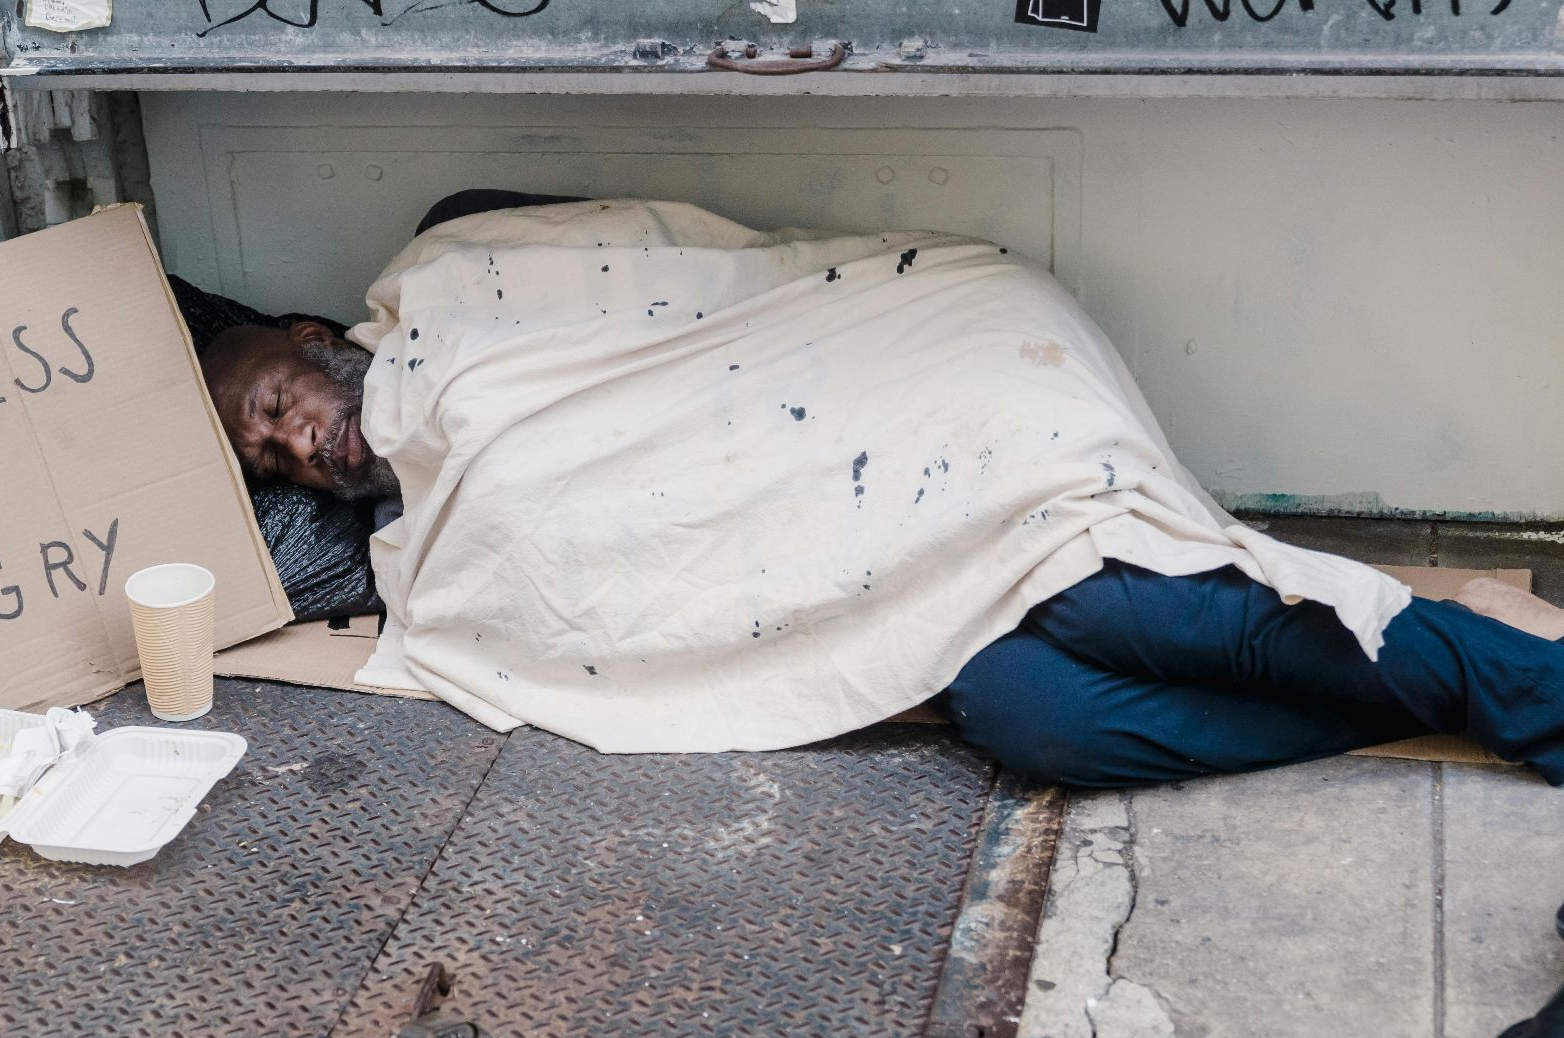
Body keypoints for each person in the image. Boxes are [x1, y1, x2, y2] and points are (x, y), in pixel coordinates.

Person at [198, 190, 1564, 790]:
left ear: (314, 336)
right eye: (269, 461)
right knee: (1035, 720)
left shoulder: (448, 286)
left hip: (927, 390)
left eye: (277, 408)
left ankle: (1525, 696)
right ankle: (1438, 686)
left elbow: (681, 307)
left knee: (1103, 616)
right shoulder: (402, 550)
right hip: (868, 563)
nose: (297, 448)